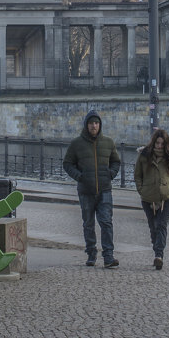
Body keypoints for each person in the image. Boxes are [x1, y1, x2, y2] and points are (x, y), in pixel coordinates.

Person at [62, 110, 121, 268]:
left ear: (100, 125)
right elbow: (67, 164)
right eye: (91, 123)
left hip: (104, 189)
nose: (94, 126)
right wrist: (79, 176)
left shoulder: (108, 142)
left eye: (96, 123)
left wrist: (111, 174)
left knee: (106, 222)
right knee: (88, 223)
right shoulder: (76, 144)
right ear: (86, 125)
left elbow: (116, 161)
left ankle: (108, 256)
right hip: (85, 190)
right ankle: (91, 252)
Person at [133, 128, 169, 270]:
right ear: (153, 143)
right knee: (153, 226)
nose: (159, 146)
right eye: (157, 143)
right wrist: (141, 190)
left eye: (162, 143)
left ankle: (159, 255)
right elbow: (137, 175)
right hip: (148, 198)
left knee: (161, 224)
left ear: (165, 144)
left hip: (167, 197)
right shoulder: (144, 155)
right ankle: (157, 250)